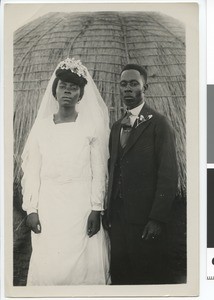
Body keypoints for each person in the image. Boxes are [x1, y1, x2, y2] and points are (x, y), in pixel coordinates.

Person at [21, 58, 110, 285]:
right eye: (63, 87)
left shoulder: (90, 127)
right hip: (50, 205)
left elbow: (98, 171)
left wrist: (96, 208)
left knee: (83, 263)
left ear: (81, 95)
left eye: (73, 89)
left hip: (81, 205)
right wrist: (31, 208)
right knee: (50, 261)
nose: (67, 92)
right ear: (55, 91)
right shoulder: (41, 128)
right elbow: (32, 171)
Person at [104, 64, 178, 284]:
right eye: (123, 84)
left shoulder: (159, 123)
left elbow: (168, 175)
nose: (128, 88)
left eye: (134, 83)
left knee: (145, 275)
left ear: (146, 86)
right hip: (117, 217)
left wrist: (156, 218)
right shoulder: (117, 126)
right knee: (121, 275)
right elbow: (113, 168)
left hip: (144, 219)